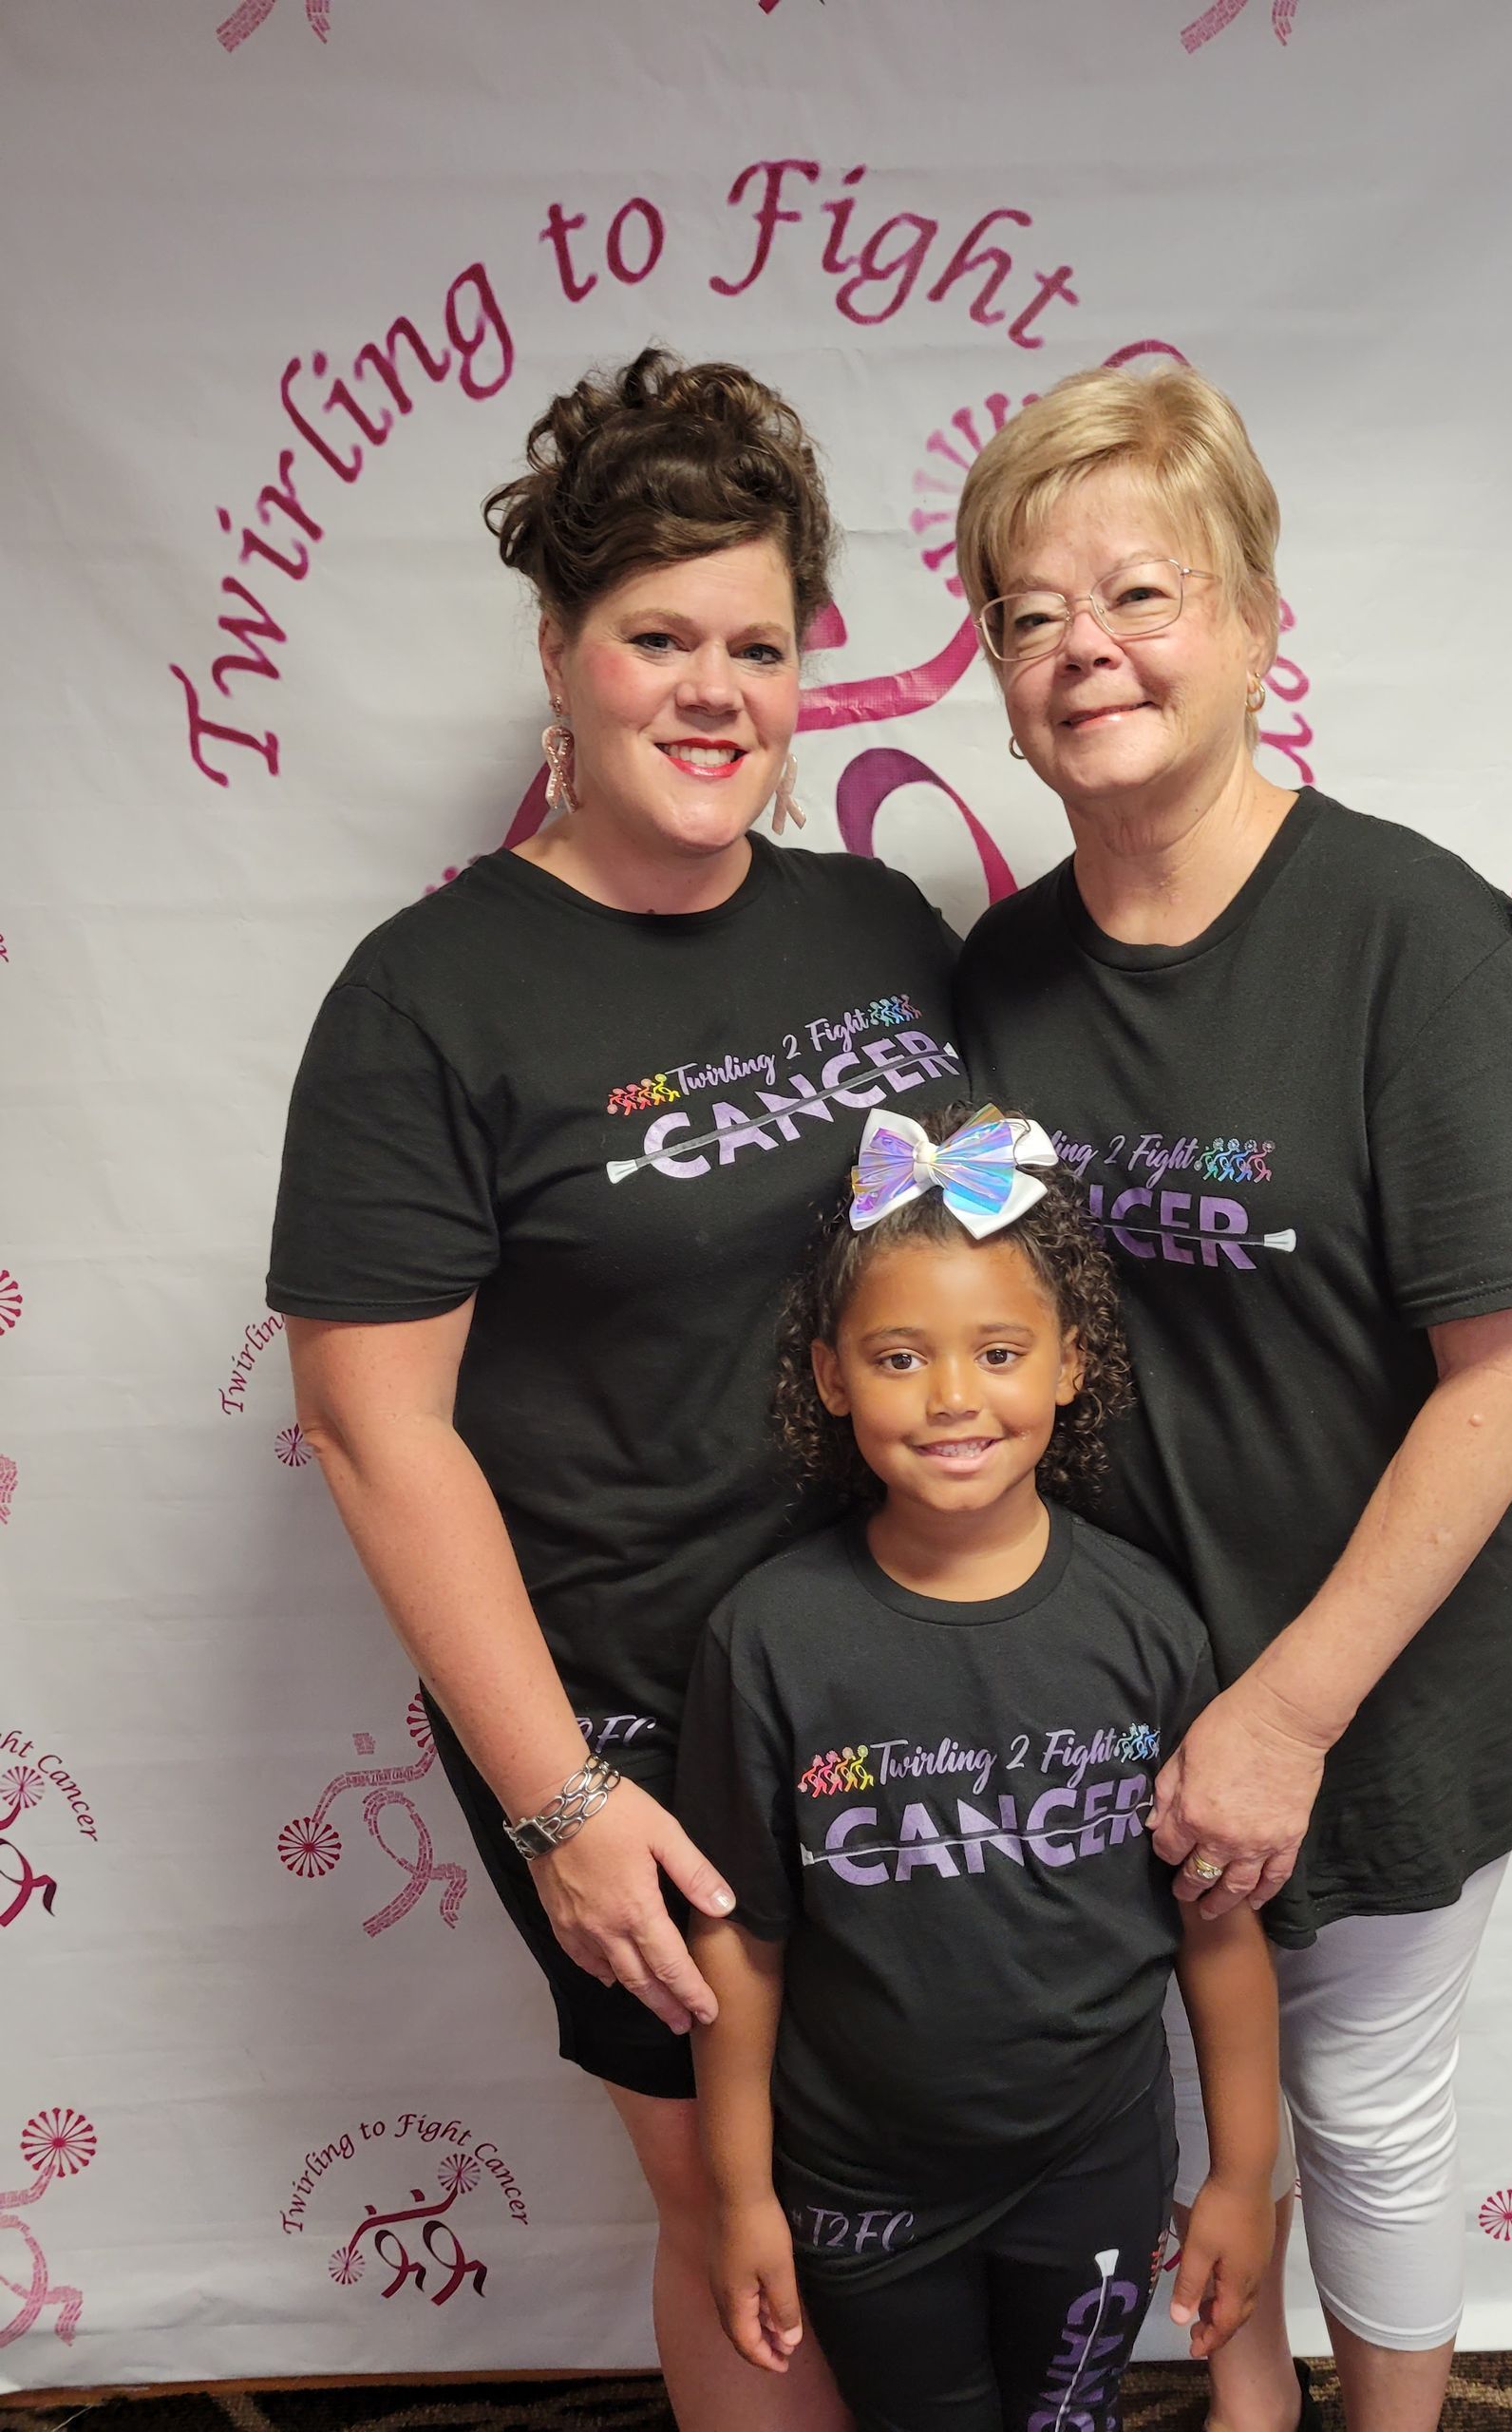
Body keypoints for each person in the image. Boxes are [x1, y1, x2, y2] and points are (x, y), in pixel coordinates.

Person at [266, 348, 964, 2432]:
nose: (712, 688)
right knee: (730, 2207)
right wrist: (559, 1800)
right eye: (659, 635)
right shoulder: (429, 995)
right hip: (638, 1726)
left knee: (925, 2176)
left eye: (757, 641)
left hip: (913, 1671)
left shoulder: (881, 925)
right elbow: (373, 1426)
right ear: (559, 653)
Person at [949, 365, 1512, 2432]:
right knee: (1168, 2113)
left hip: (1380, 1679)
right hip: (1110, 1683)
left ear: (1252, 619)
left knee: (1365, 2112)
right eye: (1033, 616)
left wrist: (1287, 1709)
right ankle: (1240, 2408)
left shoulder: (1411, 933)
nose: (1089, 650)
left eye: (1141, 592)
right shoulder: (998, 980)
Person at [677, 1102, 1284, 2432]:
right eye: (900, 1356)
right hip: (858, 2183)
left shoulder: (1145, 1622)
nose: (953, 1397)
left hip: (1094, 2171)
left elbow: (1219, 1932)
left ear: (1070, 1364)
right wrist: (740, 2199)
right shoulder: (769, 1638)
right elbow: (743, 1946)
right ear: (832, 1374)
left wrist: (1244, 2178)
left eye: (997, 1352)